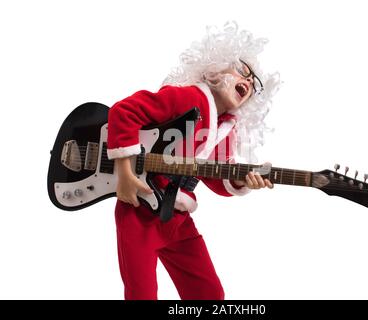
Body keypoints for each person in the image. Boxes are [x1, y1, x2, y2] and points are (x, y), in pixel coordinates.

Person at [106, 21, 280, 300]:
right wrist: (125, 173)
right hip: (139, 210)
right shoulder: (185, 97)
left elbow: (214, 177)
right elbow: (123, 112)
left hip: (176, 217)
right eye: (241, 69)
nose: (247, 82)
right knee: (141, 294)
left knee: (209, 294)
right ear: (214, 68)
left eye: (254, 83)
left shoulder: (225, 131)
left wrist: (239, 181)